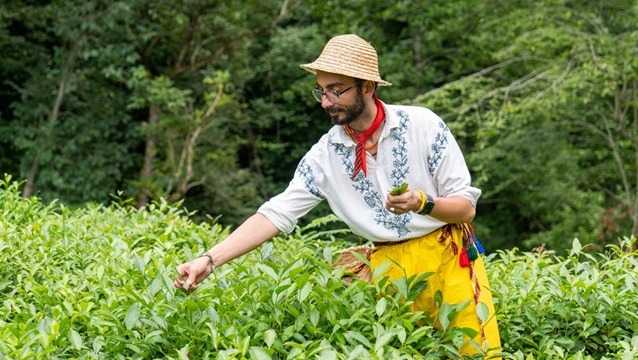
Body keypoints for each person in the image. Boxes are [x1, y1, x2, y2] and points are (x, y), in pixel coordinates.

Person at [174, 34, 501, 355]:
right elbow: (275, 214)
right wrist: (210, 259)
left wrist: (423, 202)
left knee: (475, 352)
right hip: (387, 271)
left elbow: (465, 209)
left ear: (367, 88)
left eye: (336, 90)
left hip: (448, 258)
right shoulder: (326, 155)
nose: (326, 101)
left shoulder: (423, 126)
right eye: (321, 90)